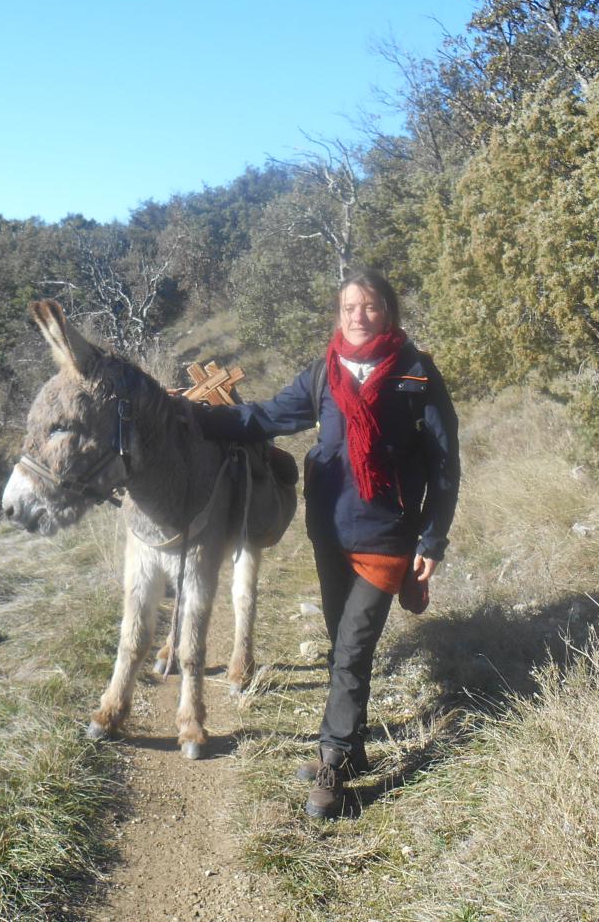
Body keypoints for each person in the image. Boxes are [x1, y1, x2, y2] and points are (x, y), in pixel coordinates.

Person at [196, 268, 459, 818]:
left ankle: (333, 759)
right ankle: (353, 747)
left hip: (387, 534)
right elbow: (268, 416)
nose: (358, 316)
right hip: (330, 530)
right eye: (348, 307)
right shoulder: (325, 371)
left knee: (353, 649)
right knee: (341, 642)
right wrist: (197, 418)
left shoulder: (415, 373)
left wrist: (432, 539)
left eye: (370, 306)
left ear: (388, 312)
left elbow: (444, 462)